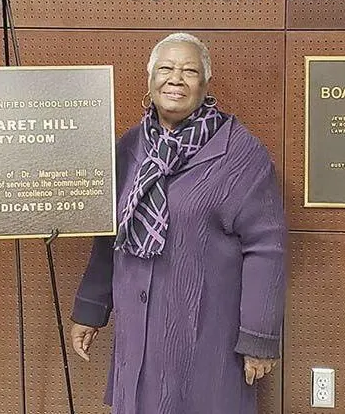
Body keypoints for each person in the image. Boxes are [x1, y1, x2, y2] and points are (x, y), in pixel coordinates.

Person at [70, 33, 287, 414]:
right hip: (137, 333)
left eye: (189, 71)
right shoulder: (129, 148)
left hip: (205, 336)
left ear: (205, 83)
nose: (176, 79)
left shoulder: (240, 153)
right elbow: (109, 235)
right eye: (166, 69)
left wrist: (259, 338)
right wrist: (90, 310)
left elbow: (266, 247)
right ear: (150, 77)